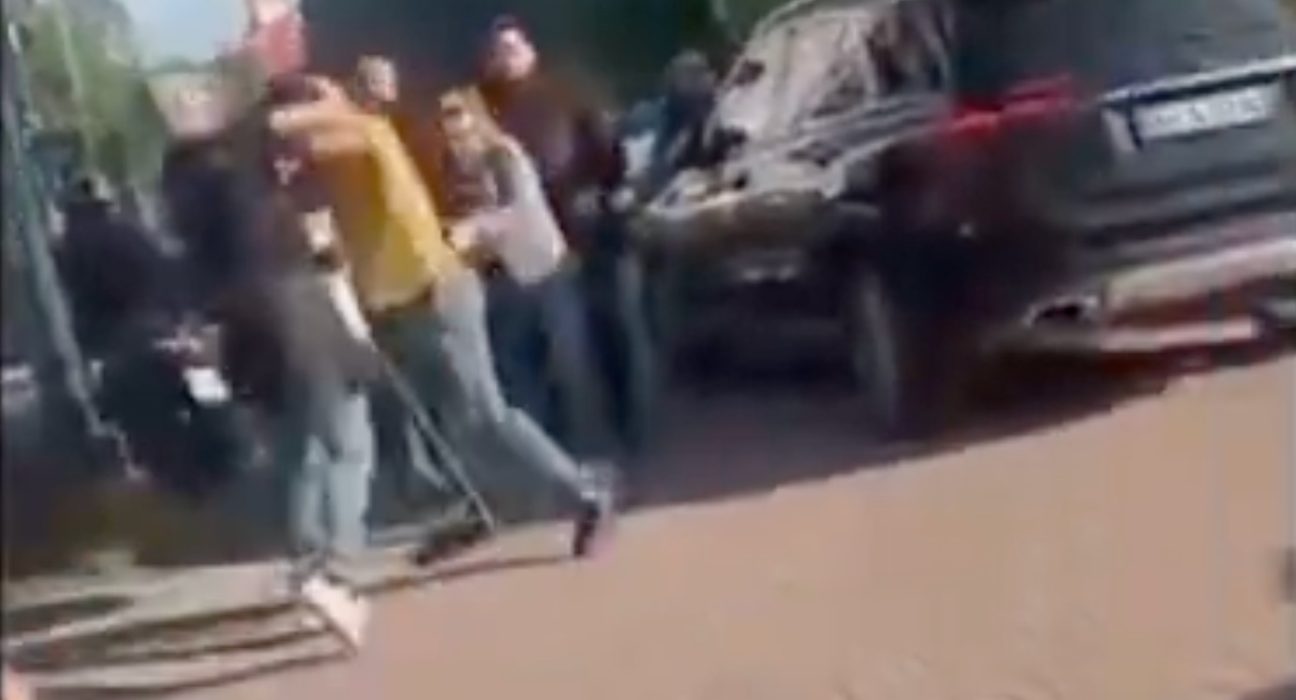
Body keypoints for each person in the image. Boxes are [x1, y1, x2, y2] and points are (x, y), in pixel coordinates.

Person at [269, 76, 618, 559]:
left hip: (439, 295)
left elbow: (292, 124)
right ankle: (480, 506)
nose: (292, 153)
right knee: (447, 421)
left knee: (484, 413)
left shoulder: (367, 133)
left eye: (301, 141)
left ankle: (586, 493)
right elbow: (327, 238)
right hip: (396, 308)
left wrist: (300, 113)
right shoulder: (326, 178)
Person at [161, 76, 379, 652]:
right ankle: (339, 575)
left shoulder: (182, 187)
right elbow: (337, 120)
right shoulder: (247, 166)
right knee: (349, 444)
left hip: (241, 331)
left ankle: (308, 568)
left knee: (297, 454)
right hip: (296, 308)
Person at [475, 16, 658, 458]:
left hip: (596, 233)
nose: (506, 60)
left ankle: (635, 428)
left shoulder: (567, 92)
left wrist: (606, 192)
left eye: (513, 49)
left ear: (531, 51)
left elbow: (609, 150)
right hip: (541, 247)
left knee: (619, 331)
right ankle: (578, 440)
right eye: (498, 53)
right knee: (563, 347)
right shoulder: (488, 111)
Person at [433, 91, 612, 461]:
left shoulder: (503, 154)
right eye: (450, 132)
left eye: (462, 126)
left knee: (571, 364)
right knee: (518, 372)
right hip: (506, 278)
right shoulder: (455, 168)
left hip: (545, 268)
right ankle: (547, 461)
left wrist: (472, 229)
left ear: (477, 120)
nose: (457, 139)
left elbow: (517, 209)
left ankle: (596, 451)